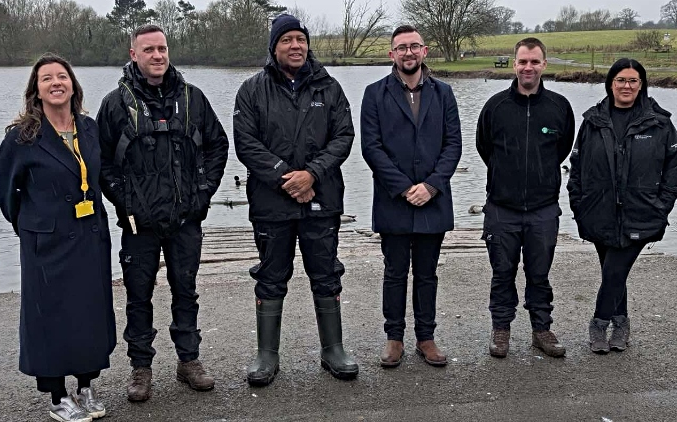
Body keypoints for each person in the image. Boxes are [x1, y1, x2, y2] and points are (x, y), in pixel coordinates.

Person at [96, 25, 228, 401]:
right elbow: (102, 160)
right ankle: (141, 368)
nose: (158, 55)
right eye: (149, 49)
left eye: (163, 48)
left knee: (186, 290)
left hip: (186, 217)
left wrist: (204, 193)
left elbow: (218, 146)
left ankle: (189, 360)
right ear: (133, 54)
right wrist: (123, 200)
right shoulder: (114, 104)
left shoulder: (193, 98)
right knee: (138, 296)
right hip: (139, 223)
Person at [233, 13, 358, 386]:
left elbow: (344, 137)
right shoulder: (252, 90)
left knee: (326, 273)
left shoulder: (329, 88)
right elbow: (246, 144)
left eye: (300, 39)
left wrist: (312, 174)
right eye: (286, 40)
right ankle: (267, 356)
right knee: (271, 276)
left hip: (322, 199)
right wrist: (286, 177)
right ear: (274, 47)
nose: (295, 46)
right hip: (272, 202)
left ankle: (332, 350)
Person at [0, 53, 116, 422]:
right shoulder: (22, 137)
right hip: (46, 244)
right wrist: (34, 226)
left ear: (73, 85)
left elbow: (99, 177)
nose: (56, 83)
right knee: (50, 318)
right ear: (37, 90)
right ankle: (57, 396)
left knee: (90, 313)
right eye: (47, 78)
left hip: (89, 237)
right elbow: (6, 192)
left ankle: (86, 386)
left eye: (62, 76)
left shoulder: (90, 128)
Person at [361, 25, 462, 368]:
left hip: (433, 200)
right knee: (394, 272)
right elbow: (371, 148)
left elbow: (453, 146)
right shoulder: (375, 94)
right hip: (394, 200)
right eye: (401, 48)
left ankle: (426, 337)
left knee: (427, 273)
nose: (408, 53)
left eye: (414, 46)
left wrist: (431, 185)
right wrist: (404, 187)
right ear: (392, 54)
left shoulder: (444, 93)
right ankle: (394, 338)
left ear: (425, 51)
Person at [567, 58, 677, 354]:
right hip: (598, 211)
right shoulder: (592, 121)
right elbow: (576, 166)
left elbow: (673, 169)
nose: (626, 86)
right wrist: (579, 204)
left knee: (615, 270)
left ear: (642, 85)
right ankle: (622, 321)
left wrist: (661, 207)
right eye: (621, 80)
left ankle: (600, 323)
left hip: (642, 213)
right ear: (610, 83)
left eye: (633, 81)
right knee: (612, 271)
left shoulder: (660, 123)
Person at [476, 37, 575, 358]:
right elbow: (484, 148)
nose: (527, 67)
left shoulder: (559, 107)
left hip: (543, 209)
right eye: (522, 61)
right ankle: (501, 329)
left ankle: (541, 330)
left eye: (534, 61)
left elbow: (563, 149)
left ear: (544, 64)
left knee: (540, 274)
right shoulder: (495, 107)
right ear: (514, 64)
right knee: (502, 273)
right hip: (502, 208)